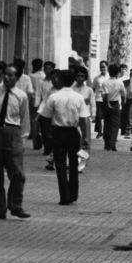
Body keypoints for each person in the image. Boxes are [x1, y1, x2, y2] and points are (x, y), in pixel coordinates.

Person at [0, 64, 30, 219]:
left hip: (13, 132)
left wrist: (23, 139)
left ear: (17, 78)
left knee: (17, 172)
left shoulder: (21, 96)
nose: (7, 77)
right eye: (6, 74)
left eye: (11, 75)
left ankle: (15, 205)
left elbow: (25, 118)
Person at [39, 69, 90, 205]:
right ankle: (73, 194)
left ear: (61, 80)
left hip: (58, 132)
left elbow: (45, 117)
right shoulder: (78, 97)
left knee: (60, 164)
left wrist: (48, 134)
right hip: (73, 132)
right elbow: (84, 119)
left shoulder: (54, 97)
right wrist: (85, 137)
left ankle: (64, 196)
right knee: (74, 163)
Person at [100, 64, 125, 151]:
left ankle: (106, 143)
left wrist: (106, 102)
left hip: (106, 104)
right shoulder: (120, 82)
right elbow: (123, 94)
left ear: (109, 72)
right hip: (116, 104)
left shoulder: (104, 82)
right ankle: (112, 143)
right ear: (118, 73)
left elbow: (103, 95)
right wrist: (123, 103)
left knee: (107, 123)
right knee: (115, 124)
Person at [91, 60, 108, 138]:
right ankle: (99, 131)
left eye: (103, 66)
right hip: (99, 98)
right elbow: (93, 89)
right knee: (98, 116)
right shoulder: (96, 78)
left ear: (107, 67)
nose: (102, 68)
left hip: (108, 99)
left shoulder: (109, 77)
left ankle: (106, 132)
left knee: (107, 116)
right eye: (101, 67)